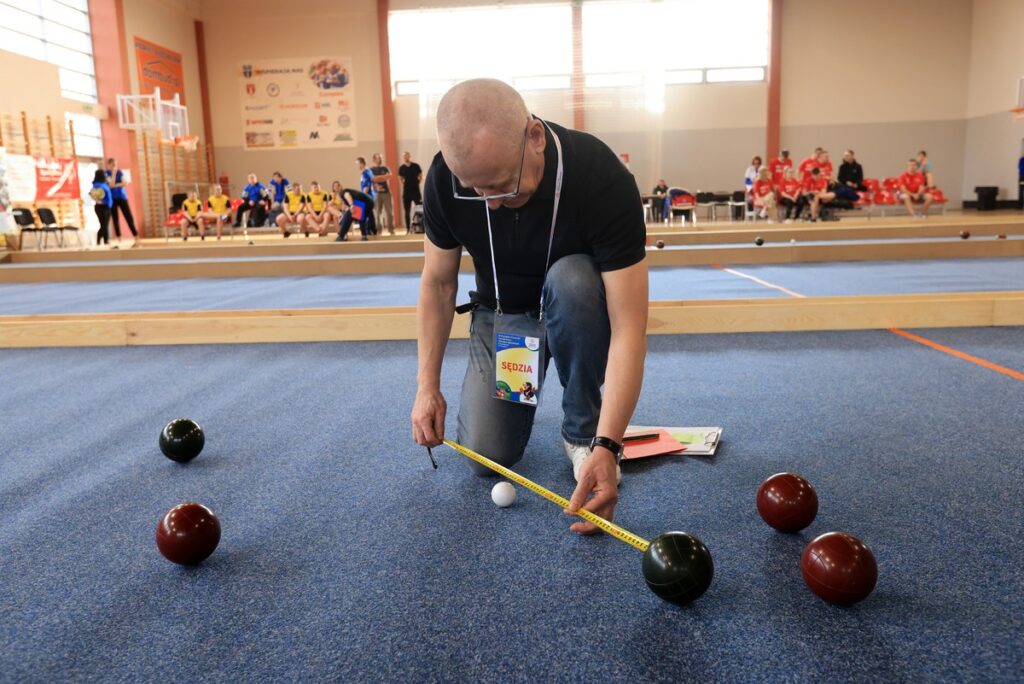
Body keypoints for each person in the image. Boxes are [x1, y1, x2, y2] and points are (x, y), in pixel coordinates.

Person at [411, 79, 648, 536]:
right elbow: (438, 284)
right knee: (487, 456)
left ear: (535, 137)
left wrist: (608, 443)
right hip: (504, 317)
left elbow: (629, 327)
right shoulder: (444, 178)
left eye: (502, 184)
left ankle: (581, 432)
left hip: (577, 307)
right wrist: (427, 387)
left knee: (575, 278)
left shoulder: (600, 177)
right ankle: (523, 402)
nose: (492, 203)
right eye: (475, 190)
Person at [105, 158, 139, 247]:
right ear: (109, 165)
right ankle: (119, 237)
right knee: (115, 218)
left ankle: (136, 235)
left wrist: (116, 184)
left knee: (128, 216)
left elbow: (125, 183)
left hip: (122, 197)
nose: (114, 166)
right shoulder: (106, 173)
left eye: (115, 164)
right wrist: (114, 174)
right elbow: (111, 184)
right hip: (112, 198)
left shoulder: (120, 172)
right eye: (112, 165)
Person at [398, 151, 423, 231]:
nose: (406, 157)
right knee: (407, 210)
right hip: (406, 192)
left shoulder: (416, 166)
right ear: (403, 158)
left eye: (407, 156)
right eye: (404, 156)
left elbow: (420, 175)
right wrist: (404, 182)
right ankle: (408, 229)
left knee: (419, 209)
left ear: (410, 156)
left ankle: (421, 227)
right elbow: (400, 178)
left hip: (416, 191)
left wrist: (418, 181)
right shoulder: (401, 168)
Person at [370, 153, 394, 235]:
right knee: (377, 213)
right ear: (374, 160)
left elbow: (390, 176)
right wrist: (383, 177)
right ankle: (379, 231)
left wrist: (378, 178)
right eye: (378, 158)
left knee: (389, 212)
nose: (379, 159)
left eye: (380, 158)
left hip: (386, 193)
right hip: (376, 193)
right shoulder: (371, 170)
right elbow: (372, 180)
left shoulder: (385, 168)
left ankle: (391, 230)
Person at [89, 169, 113, 247]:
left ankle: (106, 240)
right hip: (101, 207)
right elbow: (91, 193)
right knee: (103, 225)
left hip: (107, 206)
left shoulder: (104, 183)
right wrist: (98, 201)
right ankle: (99, 240)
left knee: (106, 224)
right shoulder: (97, 184)